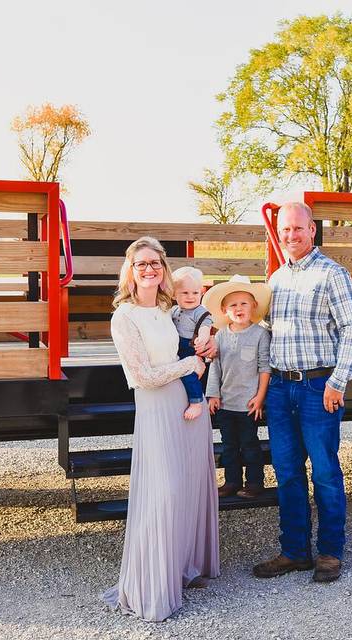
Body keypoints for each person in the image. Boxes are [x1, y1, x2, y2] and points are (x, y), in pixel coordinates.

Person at [103, 236, 219, 622]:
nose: (149, 269)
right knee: (163, 491)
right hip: (156, 407)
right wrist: (190, 367)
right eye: (141, 264)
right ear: (130, 271)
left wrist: (208, 348)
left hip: (187, 405)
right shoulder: (124, 317)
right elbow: (142, 376)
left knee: (190, 485)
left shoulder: (169, 309)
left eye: (155, 263)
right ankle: (151, 586)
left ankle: (184, 569)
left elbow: (196, 336)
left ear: (164, 269)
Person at [253, 202, 352, 584]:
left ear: (312, 230)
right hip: (281, 388)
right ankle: (295, 551)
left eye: (298, 229)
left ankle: (330, 552)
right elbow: (263, 330)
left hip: (319, 386)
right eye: (285, 230)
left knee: (326, 473)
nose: (291, 236)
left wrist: (338, 381)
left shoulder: (331, 273)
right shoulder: (276, 279)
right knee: (286, 472)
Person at [202, 274, 272, 499]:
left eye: (244, 303)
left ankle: (254, 483)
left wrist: (260, 397)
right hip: (226, 403)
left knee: (250, 445)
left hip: (249, 404)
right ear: (224, 310)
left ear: (253, 306)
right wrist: (212, 394)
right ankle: (232, 481)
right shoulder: (221, 336)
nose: (239, 308)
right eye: (233, 304)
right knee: (229, 446)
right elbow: (215, 367)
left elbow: (265, 368)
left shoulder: (260, 334)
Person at [171, 266, 214, 421]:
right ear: (175, 294)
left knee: (188, 373)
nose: (191, 297)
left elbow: (205, 326)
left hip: (190, 347)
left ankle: (196, 401)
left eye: (195, 293)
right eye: (185, 293)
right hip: (175, 347)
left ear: (201, 293)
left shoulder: (200, 311)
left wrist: (203, 338)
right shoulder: (174, 310)